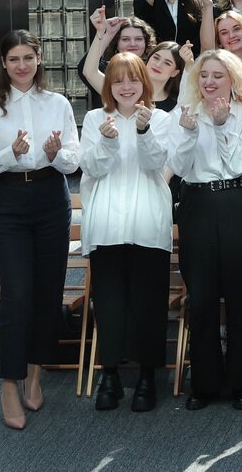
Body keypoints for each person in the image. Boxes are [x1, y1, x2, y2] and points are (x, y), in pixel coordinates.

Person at [0, 30, 80, 430]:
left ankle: (34, 374)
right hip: (7, 200)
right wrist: (9, 153)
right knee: (16, 295)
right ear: (3, 63)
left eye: (28, 57)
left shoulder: (57, 103)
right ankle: (9, 385)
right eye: (13, 59)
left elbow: (73, 160)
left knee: (48, 291)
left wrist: (55, 154)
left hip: (50, 197)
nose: (21, 65)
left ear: (39, 58)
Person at [170, 50, 242, 411]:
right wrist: (188, 133)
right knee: (202, 296)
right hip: (196, 203)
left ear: (233, 80)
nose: (209, 82)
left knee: (239, 294)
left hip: (237, 200)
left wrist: (223, 125)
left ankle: (241, 382)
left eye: (218, 75)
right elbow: (179, 167)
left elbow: (240, 164)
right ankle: (205, 382)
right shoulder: (186, 113)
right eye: (204, 75)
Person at [80, 54, 173, 413]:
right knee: (109, 302)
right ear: (109, 86)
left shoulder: (160, 119)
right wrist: (106, 142)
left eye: (132, 79)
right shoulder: (95, 118)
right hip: (106, 220)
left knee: (149, 302)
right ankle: (110, 375)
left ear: (144, 83)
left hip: (147, 219)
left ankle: (148, 375)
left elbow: (157, 164)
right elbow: (90, 167)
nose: (126, 87)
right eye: (118, 81)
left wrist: (144, 132)